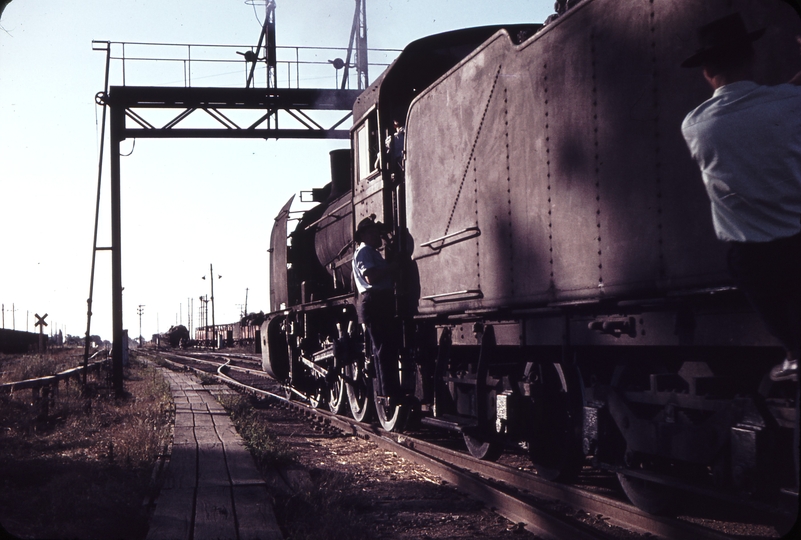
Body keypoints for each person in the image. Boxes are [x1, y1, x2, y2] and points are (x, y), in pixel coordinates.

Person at [681, 12, 801, 382]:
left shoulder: (695, 125)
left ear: (706, 71)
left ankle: (795, 352)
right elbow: (780, 100)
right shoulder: (789, 102)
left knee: (742, 264)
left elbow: (752, 111)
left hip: (756, 257)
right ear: (751, 58)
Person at [352, 216, 401, 401]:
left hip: (379, 301)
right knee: (383, 348)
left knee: (386, 346)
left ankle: (390, 390)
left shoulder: (370, 251)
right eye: (372, 232)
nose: (376, 236)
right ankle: (388, 392)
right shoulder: (364, 252)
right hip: (375, 301)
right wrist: (393, 267)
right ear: (363, 235)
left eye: (376, 232)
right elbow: (371, 277)